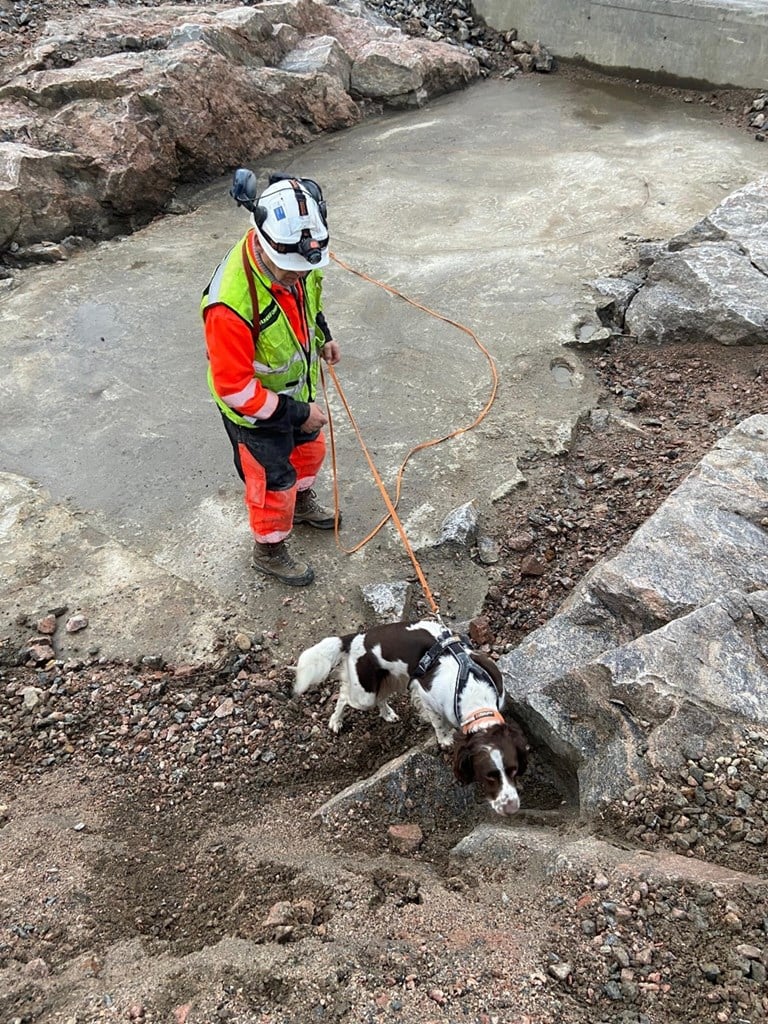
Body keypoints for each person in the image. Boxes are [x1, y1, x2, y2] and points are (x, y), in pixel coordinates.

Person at [201, 172, 341, 587]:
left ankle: (300, 504)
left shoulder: (299, 262)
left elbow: (307, 302)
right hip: (256, 415)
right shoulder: (230, 304)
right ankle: (269, 549)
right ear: (263, 243)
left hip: (298, 394)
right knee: (272, 481)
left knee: (308, 454)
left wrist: (323, 337)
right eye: (290, 271)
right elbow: (236, 389)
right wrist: (298, 413)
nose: (298, 276)